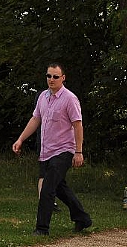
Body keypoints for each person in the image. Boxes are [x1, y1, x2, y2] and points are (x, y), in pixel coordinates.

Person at [12, 63, 93, 236]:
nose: (51, 79)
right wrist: (20, 139)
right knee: (60, 188)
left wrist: (78, 152)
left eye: (55, 76)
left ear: (63, 78)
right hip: (46, 151)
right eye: (49, 76)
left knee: (47, 188)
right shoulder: (43, 96)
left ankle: (42, 229)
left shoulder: (70, 99)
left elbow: (77, 125)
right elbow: (35, 119)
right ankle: (82, 218)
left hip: (64, 151)